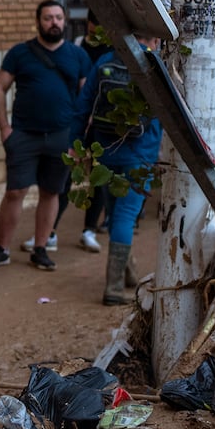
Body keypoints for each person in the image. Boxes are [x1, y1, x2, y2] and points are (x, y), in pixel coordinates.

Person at [0, 0, 91, 272]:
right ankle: (2, 248)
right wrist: (5, 129)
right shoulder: (20, 53)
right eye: (48, 18)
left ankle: (40, 248)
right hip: (24, 135)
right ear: (38, 22)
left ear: (65, 21)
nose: (54, 22)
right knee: (15, 191)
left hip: (61, 136)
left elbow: (87, 99)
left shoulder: (77, 56)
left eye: (58, 18)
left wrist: (80, 140)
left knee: (51, 192)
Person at [83, 37, 165, 305]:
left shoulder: (106, 60)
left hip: (105, 150)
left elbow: (83, 105)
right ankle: (114, 288)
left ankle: (127, 271)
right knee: (126, 215)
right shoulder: (154, 63)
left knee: (115, 212)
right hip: (140, 153)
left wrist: (76, 144)